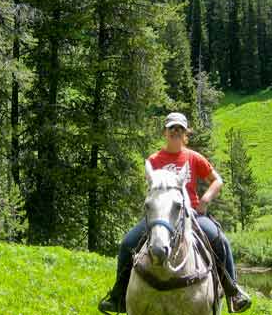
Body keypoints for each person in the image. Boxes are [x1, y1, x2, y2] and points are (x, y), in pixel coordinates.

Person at [98, 112, 252, 313]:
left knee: (219, 240)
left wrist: (205, 199)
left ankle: (233, 291)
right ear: (165, 132)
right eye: (172, 128)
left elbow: (218, 180)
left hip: (191, 214)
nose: (176, 132)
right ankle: (118, 295)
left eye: (180, 129)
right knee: (128, 243)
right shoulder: (154, 160)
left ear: (185, 133)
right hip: (158, 216)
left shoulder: (194, 157)